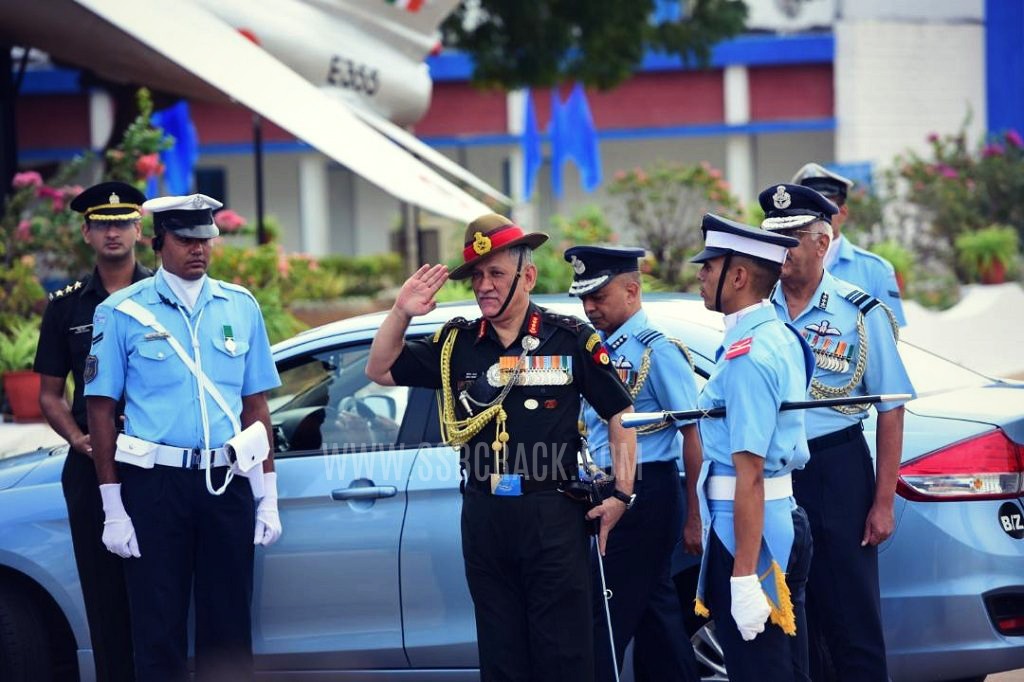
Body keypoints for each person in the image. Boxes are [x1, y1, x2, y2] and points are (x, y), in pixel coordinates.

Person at [365, 213, 637, 682]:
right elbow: (380, 369)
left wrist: (621, 494)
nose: (484, 286)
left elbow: (621, 415)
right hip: (486, 514)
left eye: (495, 274)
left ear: (526, 276)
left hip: (551, 512)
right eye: (476, 276)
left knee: (563, 654)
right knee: (500, 652)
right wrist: (402, 311)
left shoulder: (569, 339)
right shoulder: (458, 345)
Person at [84, 193, 282, 682]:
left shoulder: (240, 305)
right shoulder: (121, 312)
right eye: (186, 239)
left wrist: (268, 496)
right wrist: (113, 508)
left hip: (226, 480)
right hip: (156, 487)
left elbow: (256, 406)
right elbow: (100, 413)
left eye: (206, 239)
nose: (199, 249)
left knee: (229, 626)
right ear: (159, 242)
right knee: (157, 628)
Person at [760, 183, 916, 682]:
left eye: (792, 238)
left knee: (852, 618)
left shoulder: (860, 312)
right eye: (774, 238)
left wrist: (883, 502)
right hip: (777, 471)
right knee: (790, 619)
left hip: (839, 470)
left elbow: (891, 409)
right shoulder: (759, 310)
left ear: (822, 243)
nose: (780, 251)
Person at [563, 245, 701, 682]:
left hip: (647, 490)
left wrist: (694, 514)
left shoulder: (655, 351)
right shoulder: (594, 349)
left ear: (632, 290)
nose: (589, 308)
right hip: (609, 488)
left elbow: (692, 433)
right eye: (584, 298)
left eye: (599, 297)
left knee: (602, 619)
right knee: (655, 614)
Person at [33, 181, 152, 682]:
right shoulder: (66, 306)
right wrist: (78, 439)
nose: (113, 233)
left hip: (154, 464)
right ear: (86, 233)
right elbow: (48, 395)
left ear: (139, 230)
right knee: (103, 595)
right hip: (89, 467)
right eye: (102, 225)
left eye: (122, 222)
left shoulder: (165, 296)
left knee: (158, 588)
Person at [689, 213, 815, 682]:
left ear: (738, 277)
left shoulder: (749, 356)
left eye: (709, 266)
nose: (700, 275)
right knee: (785, 669)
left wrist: (743, 574)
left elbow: (750, 473)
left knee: (760, 672)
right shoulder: (775, 335)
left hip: (750, 533)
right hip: (776, 520)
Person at [791, 163, 907, 326]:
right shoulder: (782, 264)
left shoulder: (876, 271)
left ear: (843, 213)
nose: (815, 218)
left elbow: (892, 338)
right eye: (807, 210)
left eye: (823, 209)